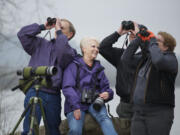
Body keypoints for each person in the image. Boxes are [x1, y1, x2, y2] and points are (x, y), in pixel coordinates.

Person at [17, 18, 77, 135]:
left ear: (70, 34)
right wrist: (42, 27)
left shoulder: (70, 52)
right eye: (57, 27)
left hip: (53, 96)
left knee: (53, 131)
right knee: (30, 130)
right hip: (34, 90)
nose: (57, 29)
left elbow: (62, 51)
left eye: (62, 27)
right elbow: (22, 34)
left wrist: (59, 32)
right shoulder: (40, 44)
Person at [121, 26, 178, 135]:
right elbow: (125, 59)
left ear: (166, 47)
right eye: (154, 40)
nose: (154, 42)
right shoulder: (146, 59)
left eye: (158, 41)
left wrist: (152, 40)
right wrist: (139, 37)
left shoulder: (171, 60)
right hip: (138, 111)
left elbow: (158, 60)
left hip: (159, 112)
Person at [62, 37, 118, 135]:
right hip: (76, 104)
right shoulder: (73, 66)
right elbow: (67, 88)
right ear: (84, 49)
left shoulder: (99, 69)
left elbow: (107, 88)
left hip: (94, 103)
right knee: (75, 129)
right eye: (93, 46)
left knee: (105, 119)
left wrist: (108, 94)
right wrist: (75, 107)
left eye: (98, 48)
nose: (96, 50)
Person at [99, 22, 141, 135]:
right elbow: (102, 48)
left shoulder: (148, 56)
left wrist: (141, 37)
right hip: (125, 105)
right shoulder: (121, 56)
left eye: (136, 33)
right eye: (131, 34)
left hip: (144, 106)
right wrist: (119, 33)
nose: (134, 35)